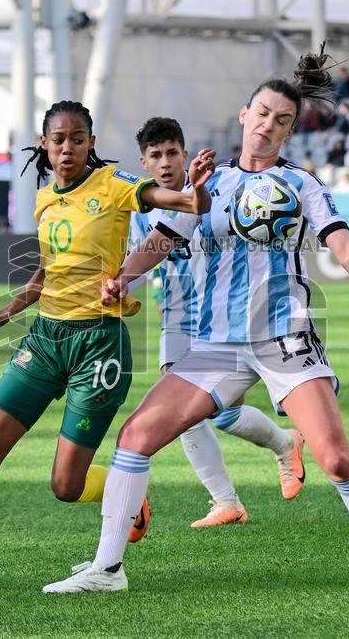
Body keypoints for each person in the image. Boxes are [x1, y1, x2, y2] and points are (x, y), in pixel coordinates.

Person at [44, 51, 349, 595]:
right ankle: (107, 570)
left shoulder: (301, 185)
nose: (268, 125)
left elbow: (340, 240)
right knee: (136, 437)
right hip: (216, 343)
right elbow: (163, 240)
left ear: (290, 131)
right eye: (262, 113)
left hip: (285, 337)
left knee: (337, 459)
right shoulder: (212, 183)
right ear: (243, 114)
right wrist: (123, 275)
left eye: (282, 120)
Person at [0, 100, 214, 593]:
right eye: (59, 140)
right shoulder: (45, 198)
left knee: (65, 487)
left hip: (99, 345)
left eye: (78, 139)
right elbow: (50, 267)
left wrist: (193, 190)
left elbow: (185, 206)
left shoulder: (115, 187)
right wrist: (12, 308)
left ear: (91, 143)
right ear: (45, 146)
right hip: (45, 339)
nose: (68, 148)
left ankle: (127, 497)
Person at [129, 117, 307, 529]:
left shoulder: (210, 195)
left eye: (172, 152)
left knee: (223, 414)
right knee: (179, 410)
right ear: (145, 163)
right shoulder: (140, 211)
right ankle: (226, 500)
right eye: (155, 156)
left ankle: (285, 444)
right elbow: (141, 265)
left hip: (223, 315)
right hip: (177, 314)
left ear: (185, 155)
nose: (165, 162)